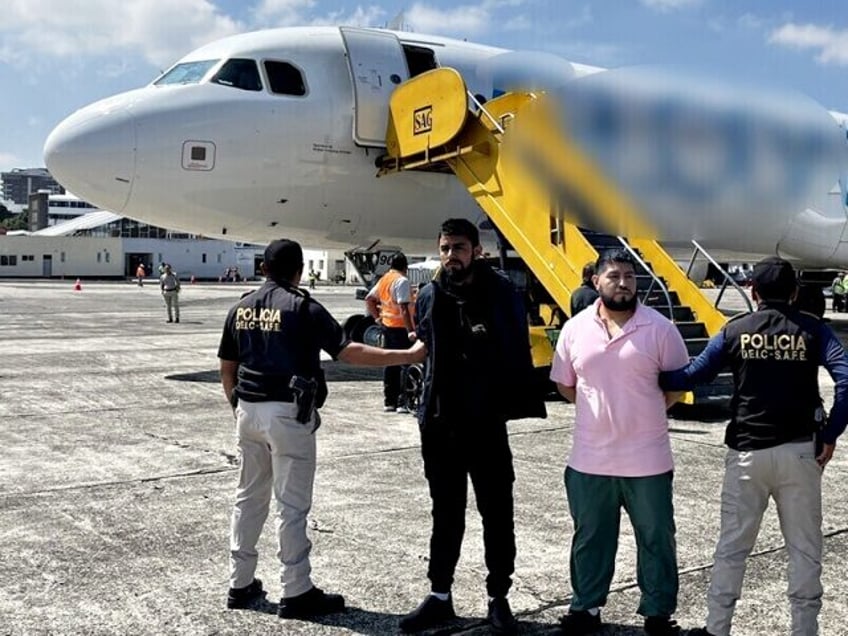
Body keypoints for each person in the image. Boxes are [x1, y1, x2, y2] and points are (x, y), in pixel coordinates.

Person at [219, 238, 423, 620]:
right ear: (299, 271)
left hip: (248, 411)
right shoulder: (302, 307)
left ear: (263, 269)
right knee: (291, 506)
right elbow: (349, 352)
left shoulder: (241, 307)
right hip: (287, 414)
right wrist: (407, 355)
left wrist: (237, 407)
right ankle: (295, 589)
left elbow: (227, 366)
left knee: (248, 498)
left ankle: (239, 582)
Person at [659, 256, 848, 636]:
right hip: (800, 453)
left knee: (733, 547)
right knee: (805, 550)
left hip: (747, 453)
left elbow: (694, 375)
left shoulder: (736, 330)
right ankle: (804, 630)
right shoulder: (813, 329)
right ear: (794, 293)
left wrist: (651, 373)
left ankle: (717, 628)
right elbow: (846, 381)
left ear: (753, 290)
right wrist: (830, 434)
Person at [399, 218, 546, 635]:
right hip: (440, 425)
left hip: (486, 424)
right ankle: (439, 595)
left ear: (476, 250)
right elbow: (425, 344)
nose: (451, 256)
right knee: (445, 513)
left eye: (459, 248)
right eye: (445, 248)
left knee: (497, 513)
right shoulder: (430, 293)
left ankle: (499, 597)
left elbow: (515, 346)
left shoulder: (500, 291)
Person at [550, 249, 690, 636]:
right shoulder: (575, 328)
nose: (623, 283)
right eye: (613, 276)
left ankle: (658, 613)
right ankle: (586, 607)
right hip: (589, 459)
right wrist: (601, 411)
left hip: (648, 460)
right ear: (596, 281)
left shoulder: (660, 329)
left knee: (657, 538)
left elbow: (676, 387)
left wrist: (639, 413)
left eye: (629, 276)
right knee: (590, 538)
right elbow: (565, 385)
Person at [365, 252, 416, 413]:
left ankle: (389, 401)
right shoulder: (402, 280)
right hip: (401, 328)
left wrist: (377, 319)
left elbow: (369, 299)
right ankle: (402, 402)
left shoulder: (384, 279)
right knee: (405, 363)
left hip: (387, 327)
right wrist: (410, 330)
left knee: (390, 363)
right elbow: (404, 308)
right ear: (405, 267)